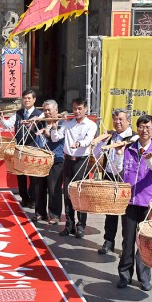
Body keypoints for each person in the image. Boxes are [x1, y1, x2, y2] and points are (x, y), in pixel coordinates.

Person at [110, 114, 152, 291]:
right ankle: (125, 274)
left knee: (144, 241)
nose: (144, 130)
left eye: (148, 127)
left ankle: (144, 277)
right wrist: (118, 154)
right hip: (128, 200)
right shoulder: (127, 148)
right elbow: (115, 169)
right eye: (141, 127)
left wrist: (148, 158)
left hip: (147, 202)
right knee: (128, 239)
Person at [51, 97, 97, 238]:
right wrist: (54, 126)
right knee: (68, 193)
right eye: (74, 108)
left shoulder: (91, 125)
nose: (76, 111)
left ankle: (81, 226)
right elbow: (55, 138)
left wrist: (79, 144)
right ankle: (69, 224)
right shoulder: (67, 123)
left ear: (85, 109)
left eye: (79, 109)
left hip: (81, 161)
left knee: (80, 194)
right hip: (68, 161)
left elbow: (89, 140)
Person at [92, 108, 135, 254]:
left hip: (125, 179)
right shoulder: (110, 135)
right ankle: (108, 241)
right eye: (115, 119)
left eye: (121, 119)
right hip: (109, 176)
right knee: (110, 212)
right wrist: (101, 142)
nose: (117, 122)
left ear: (128, 121)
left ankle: (126, 246)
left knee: (126, 215)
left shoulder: (133, 138)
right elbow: (96, 154)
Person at [0, 89, 43, 209]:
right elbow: (8, 125)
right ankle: (24, 198)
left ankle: (33, 199)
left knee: (32, 175)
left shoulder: (40, 114)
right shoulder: (18, 113)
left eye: (29, 98)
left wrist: (32, 122)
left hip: (33, 148)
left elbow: (42, 126)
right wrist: (1, 118)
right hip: (19, 147)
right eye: (25, 98)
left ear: (34, 99)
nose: (27, 100)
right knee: (20, 175)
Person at [33, 99, 65, 224]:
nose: (46, 112)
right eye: (45, 110)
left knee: (54, 188)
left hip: (55, 158)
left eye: (49, 110)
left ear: (56, 110)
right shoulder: (42, 122)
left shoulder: (62, 122)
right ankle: (40, 213)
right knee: (39, 187)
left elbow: (57, 138)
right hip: (41, 158)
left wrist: (49, 131)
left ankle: (55, 215)